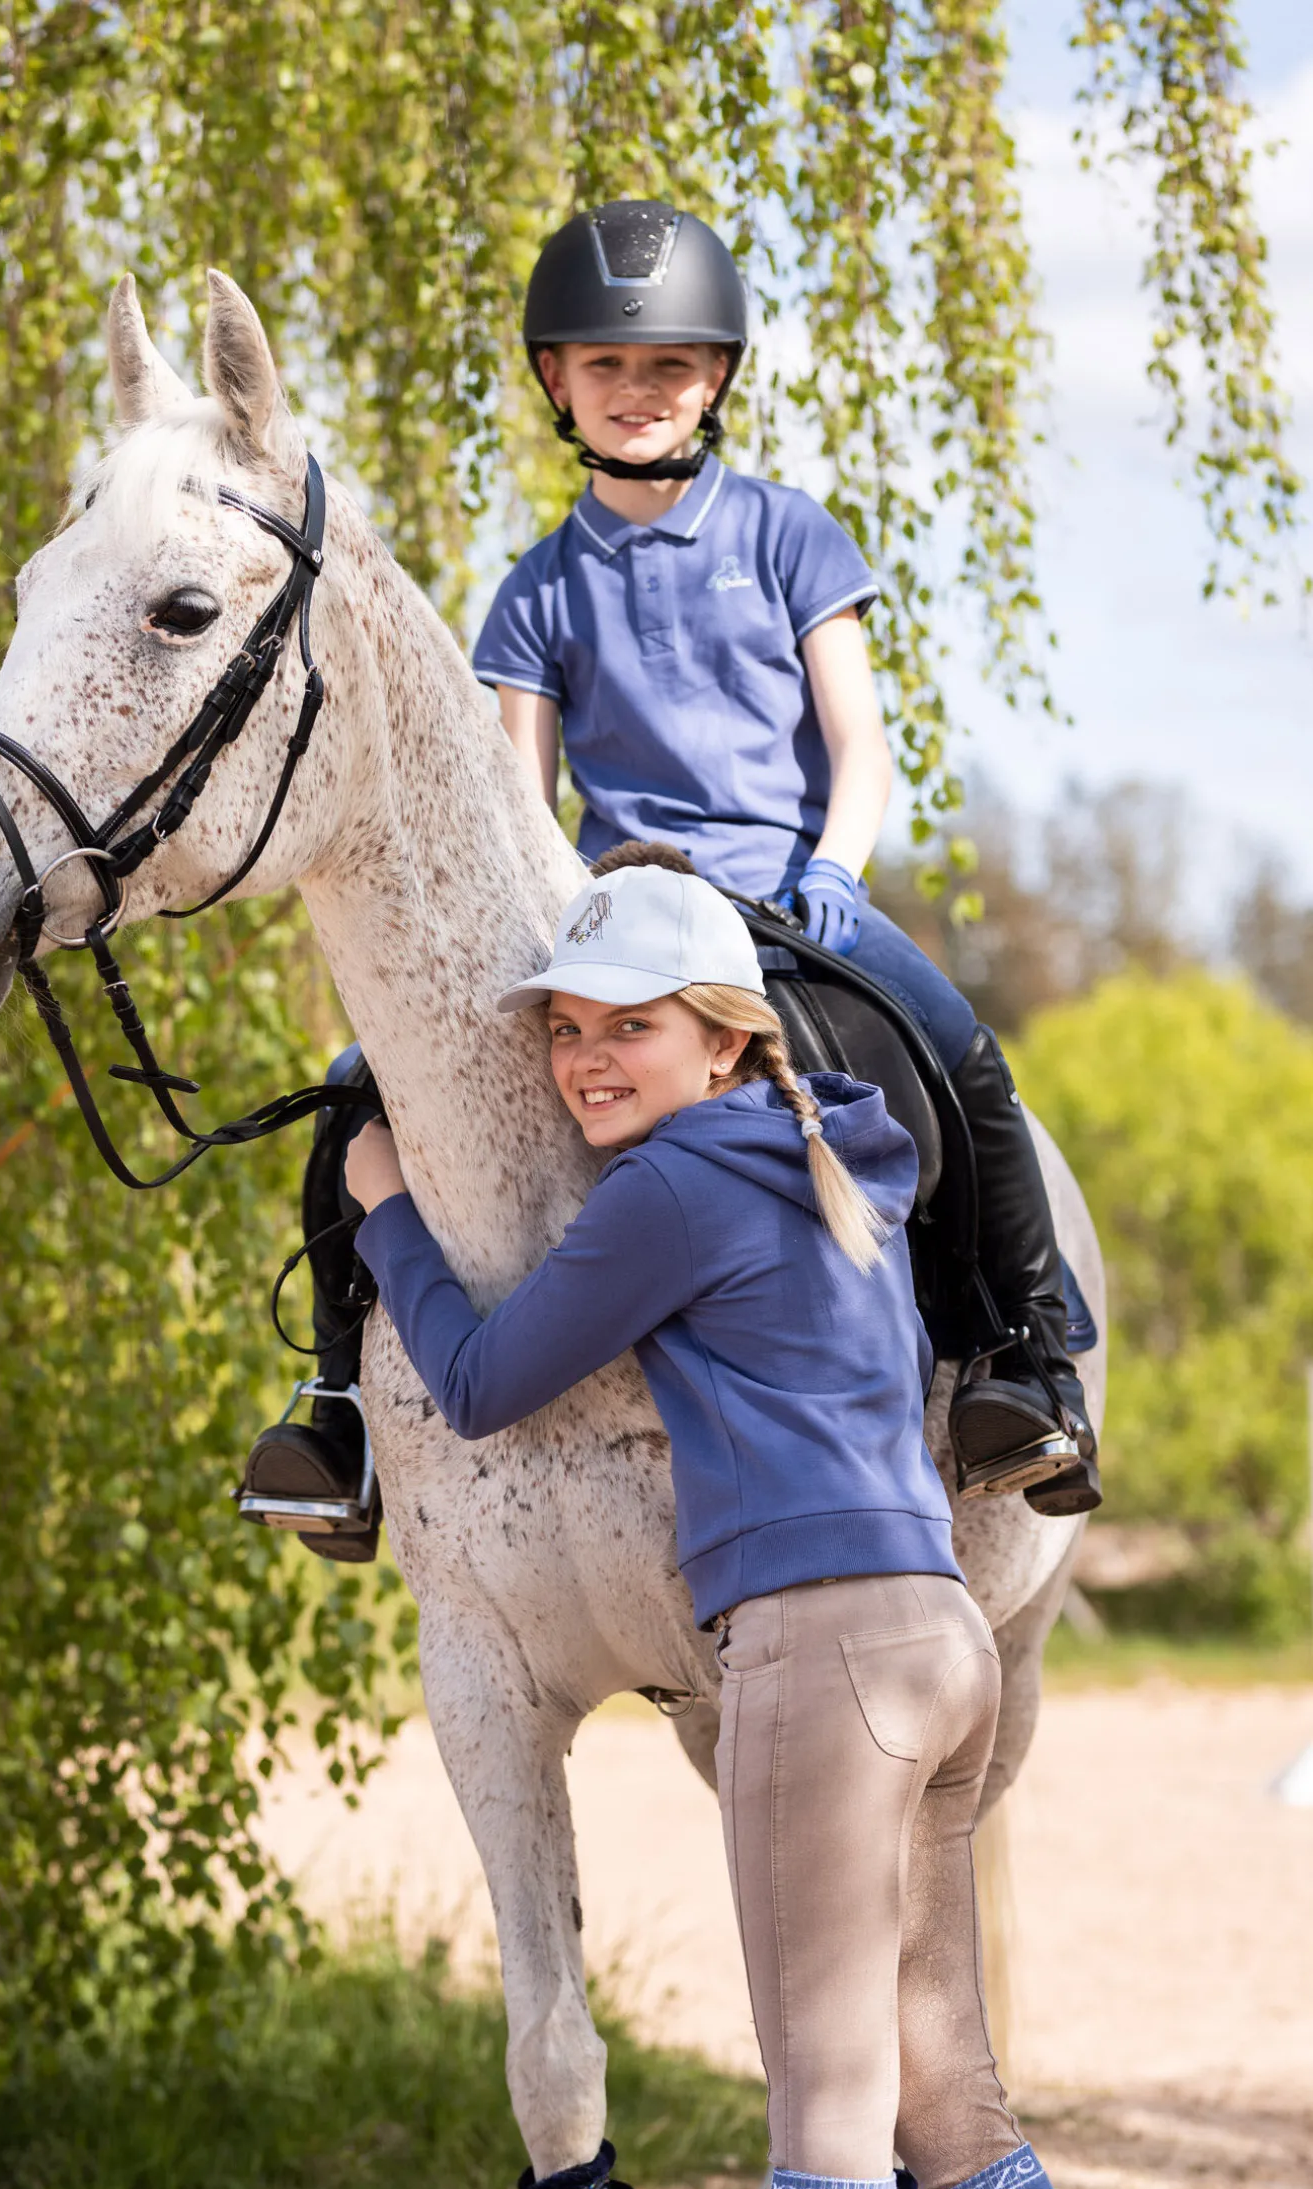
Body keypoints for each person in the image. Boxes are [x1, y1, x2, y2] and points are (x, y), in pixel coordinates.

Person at [247, 196, 1099, 1537]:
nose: (636, 391)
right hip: (619, 909)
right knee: (361, 1093)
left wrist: (837, 863)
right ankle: (338, 1410)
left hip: (786, 898)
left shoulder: (790, 536)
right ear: (556, 383)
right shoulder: (535, 589)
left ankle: (1027, 1355)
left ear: (715, 378)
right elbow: (518, 804)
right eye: (606, 367)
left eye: (665, 366)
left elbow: (857, 744)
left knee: (957, 1042)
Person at [342, 859, 1101, 2189]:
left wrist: (386, 1212)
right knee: (951, 2103)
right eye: (564, 1029)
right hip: (943, 1641)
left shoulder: (672, 1187)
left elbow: (490, 1379)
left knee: (824, 2103)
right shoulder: (831, 1150)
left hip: (821, 1661)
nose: (583, 1059)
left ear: (727, 1031)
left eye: (626, 1024)